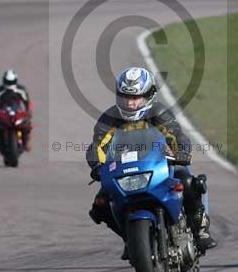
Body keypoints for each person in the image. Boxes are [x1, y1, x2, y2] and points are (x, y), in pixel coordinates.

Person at [86, 66, 217, 259]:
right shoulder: (109, 118)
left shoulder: (159, 112)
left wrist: (182, 152)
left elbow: (177, 135)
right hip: (124, 172)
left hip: (160, 166)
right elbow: (96, 146)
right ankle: (131, 238)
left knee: (188, 182)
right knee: (101, 204)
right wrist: (97, 166)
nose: (130, 103)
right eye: (125, 97)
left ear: (149, 95)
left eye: (135, 98)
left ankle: (199, 229)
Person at [0, 69, 33, 152]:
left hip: (17, 112)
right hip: (3, 112)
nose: (9, 83)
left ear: (15, 80)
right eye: (7, 81)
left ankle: (27, 142)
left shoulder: (21, 89)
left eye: (11, 81)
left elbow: (27, 102)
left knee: (27, 124)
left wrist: (28, 111)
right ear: (4, 80)